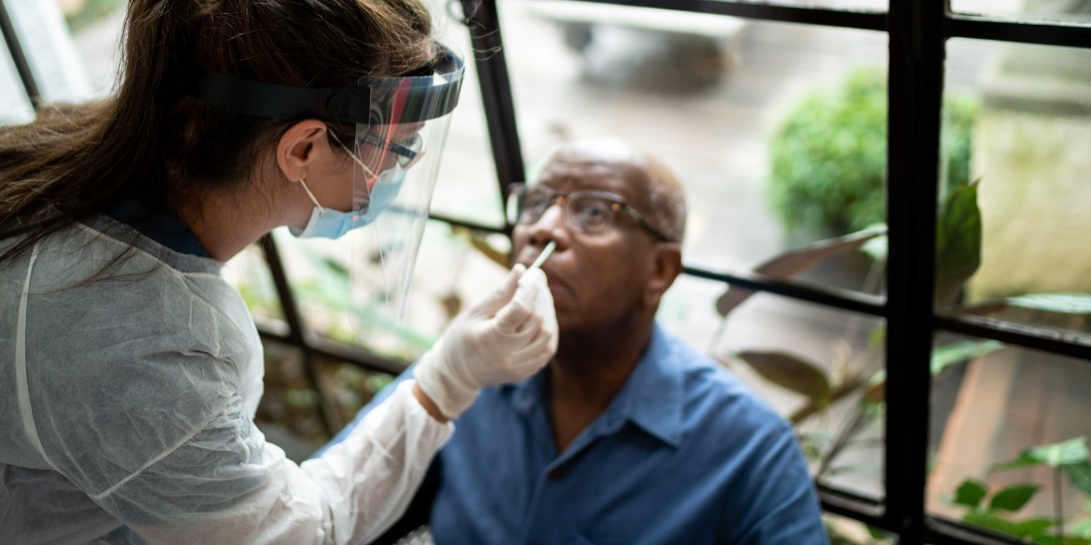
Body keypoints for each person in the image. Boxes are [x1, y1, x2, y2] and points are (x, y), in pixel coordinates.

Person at [0, 0, 557, 545]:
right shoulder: (139, 341)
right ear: (303, 146)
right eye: (400, 153)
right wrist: (450, 376)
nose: (395, 175)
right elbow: (303, 535)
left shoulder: (66, 159)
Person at [324, 137, 829, 545]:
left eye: (593, 213)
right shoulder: (468, 371)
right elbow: (333, 510)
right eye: (536, 205)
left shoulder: (750, 449)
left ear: (660, 270)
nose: (543, 230)